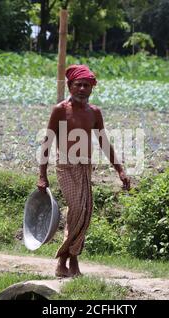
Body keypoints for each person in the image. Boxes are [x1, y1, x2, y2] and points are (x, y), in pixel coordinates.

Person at [37, 64, 130, 277]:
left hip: (86, 167)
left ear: (91, 88)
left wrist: (120, 170)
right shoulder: (60, 110)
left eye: (86, 85)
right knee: (77, 208)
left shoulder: (94, 112)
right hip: (65, 166)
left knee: (86, 213)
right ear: (70, 86)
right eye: (78, 84)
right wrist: (42, 175)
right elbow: (47, 141)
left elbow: (104, 142)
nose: (82, 89)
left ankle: (71, 260)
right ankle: (66, 258)